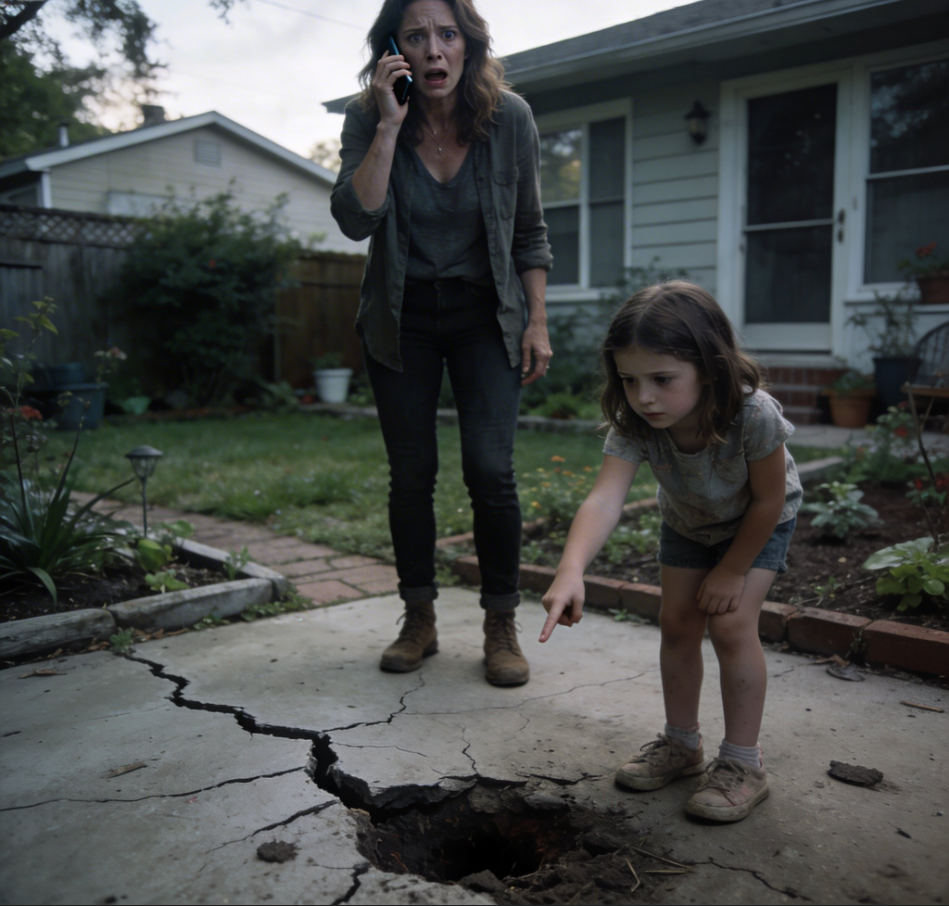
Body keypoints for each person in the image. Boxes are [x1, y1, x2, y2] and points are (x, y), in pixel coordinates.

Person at [330, 0, 553, 686]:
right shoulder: (368, 117)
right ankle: (419, 618)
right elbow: (354, 219)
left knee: (491, 470)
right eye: (418, 36)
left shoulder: (508, 117)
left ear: (468, 46)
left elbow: (529, 230)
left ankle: (499, 623)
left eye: (447, 35)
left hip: (486, 316)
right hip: (402, 320)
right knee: (412, 473)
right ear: (393, 48)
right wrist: (390, 128)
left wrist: (535, 320)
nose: (433, 50)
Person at [539, 281, 802, 822]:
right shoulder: (637, 420)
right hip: (687, 522)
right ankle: (682, 745)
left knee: (730, 626)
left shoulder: (753, 414)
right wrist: (571, 569)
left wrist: (732, 571)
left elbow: (769, 500)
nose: (644, 397)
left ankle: (743, 764)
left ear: (708, 367)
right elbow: (606, 497)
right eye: (629, 380)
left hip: (757, 523)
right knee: (678, 624)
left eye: (662, 379)